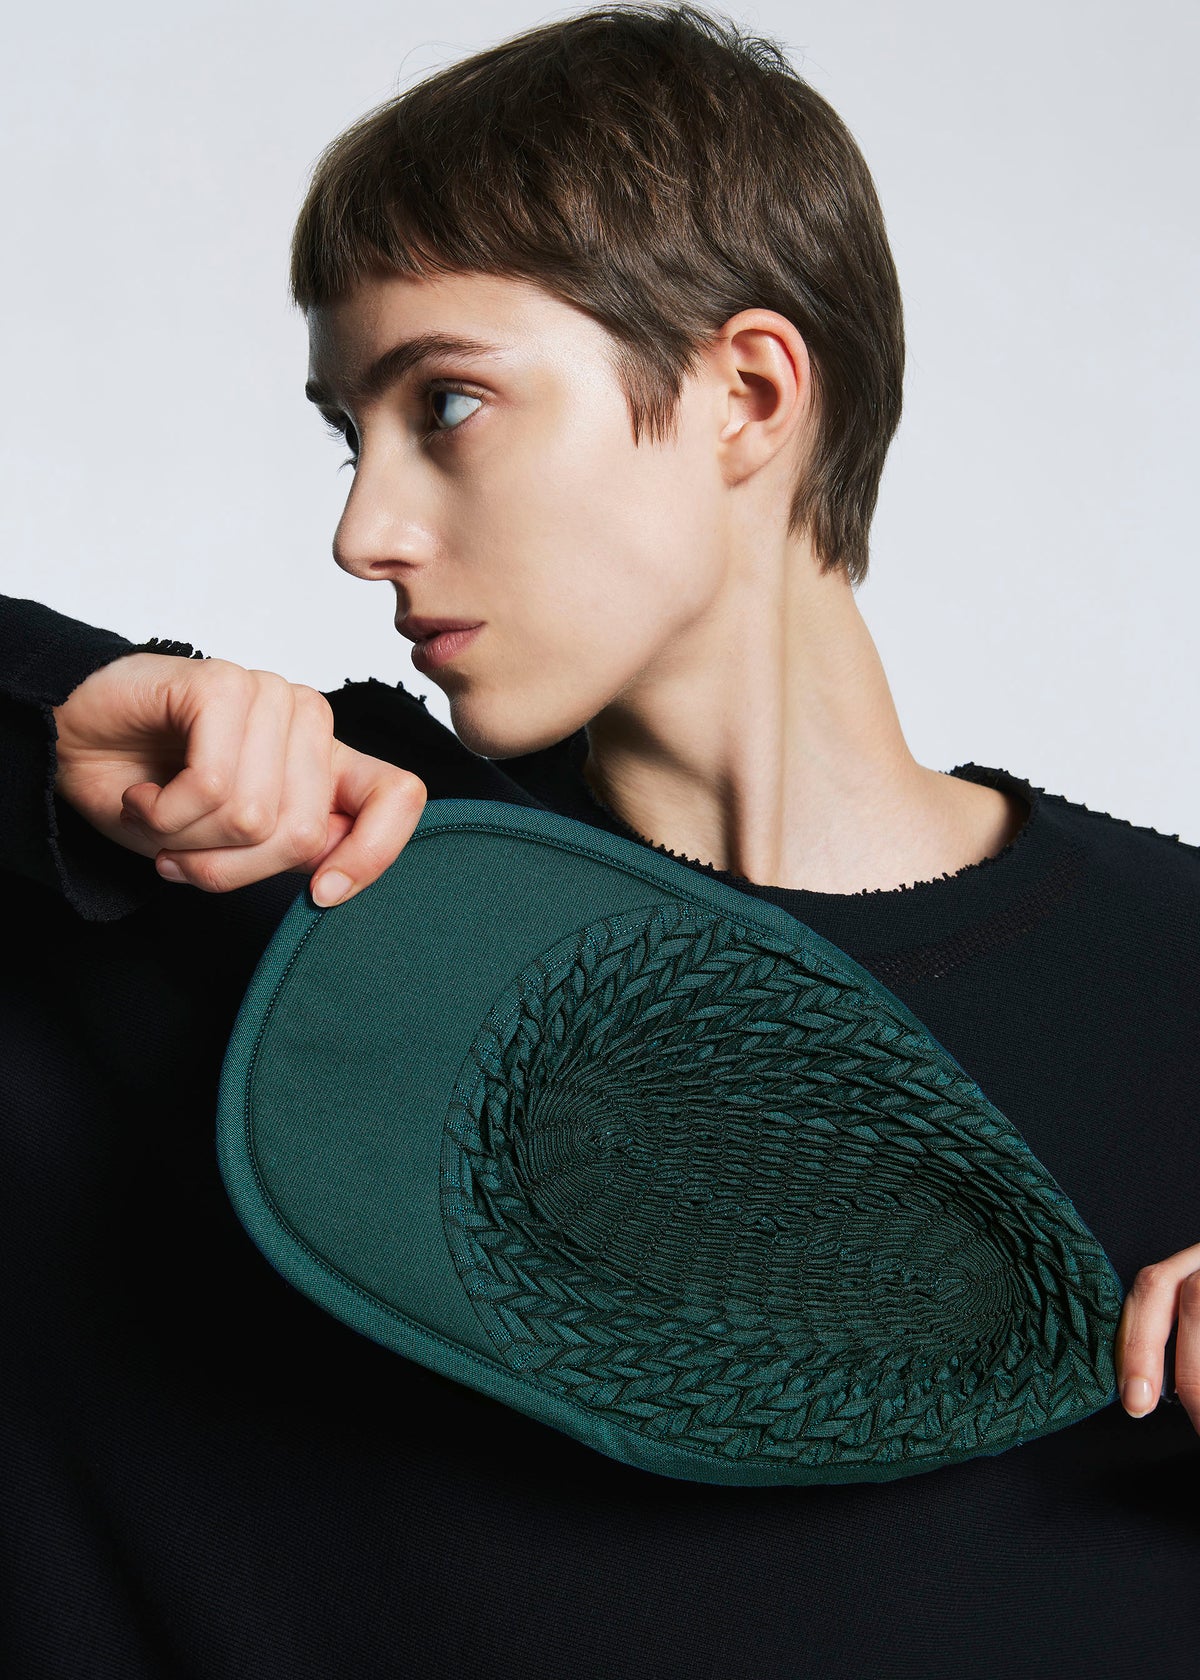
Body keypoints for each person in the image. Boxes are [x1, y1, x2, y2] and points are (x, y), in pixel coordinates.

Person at [3, 5, 1197, 1676]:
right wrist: (45, 719)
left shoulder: (1177, 975)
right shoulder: (264, 876)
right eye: (350, 434)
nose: (362, 529)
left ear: (746, 394)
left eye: (449, 402)